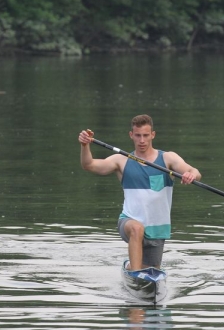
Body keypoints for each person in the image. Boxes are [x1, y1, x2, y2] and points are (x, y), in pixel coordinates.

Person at [78, 114, 201, 271]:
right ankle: (135, 275)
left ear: (152, 135)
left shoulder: (168, 158)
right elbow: (89, 165)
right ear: (131, 135)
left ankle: (131, 267)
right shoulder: (121, 160)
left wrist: (191, 175)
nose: (142, 140)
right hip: (129, 221)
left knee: (152, 269)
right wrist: (84, 146)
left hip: (158, 229)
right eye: (138, 135)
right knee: (137, 229)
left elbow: (193, 170)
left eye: (145, 135)